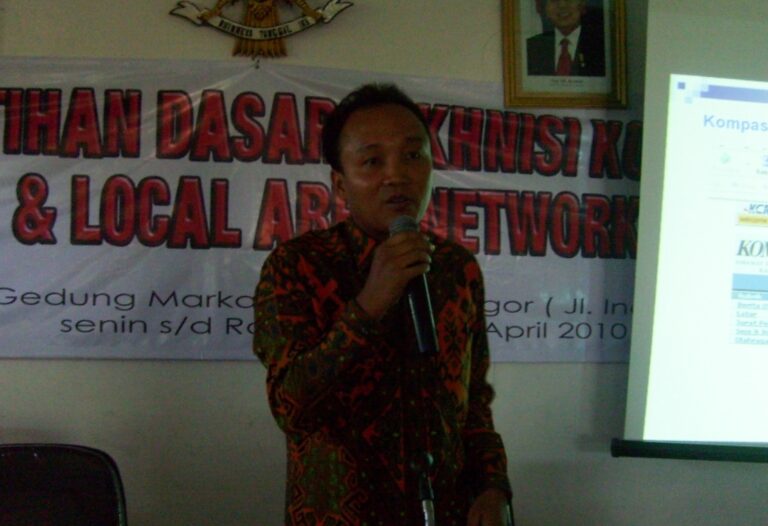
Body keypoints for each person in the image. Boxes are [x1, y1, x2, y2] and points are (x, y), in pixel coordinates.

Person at [253, 83, 513, 525]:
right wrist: (369, 305)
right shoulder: (297, 266)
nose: (397, 175)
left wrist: (492, 485)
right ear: (340, 183)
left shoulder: (455, 268)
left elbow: (473, 400)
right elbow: (291, 408)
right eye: (373, 161)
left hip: (447, 512)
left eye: (412, 155)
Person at [526, 0, 606, 77]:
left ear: (583, 4)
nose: (562, 5)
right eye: (554, 0)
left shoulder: (602, 47)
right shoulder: (531, 48)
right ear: (545, 8)